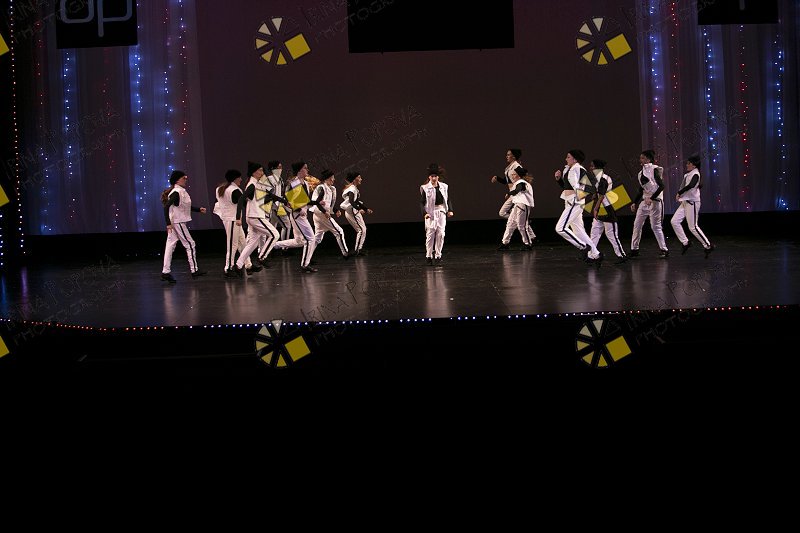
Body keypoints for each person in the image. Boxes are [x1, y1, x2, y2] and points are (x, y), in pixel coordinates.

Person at [232, 162, 283, 275]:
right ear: (254, 172)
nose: (262, 172)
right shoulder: (252, 184)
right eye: (260, 170)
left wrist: (283, 201)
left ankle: (238, 265)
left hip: (255, 216)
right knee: (275, 234)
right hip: (255, 216)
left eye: (262, 170)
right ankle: (262, 257)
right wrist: (238, 217)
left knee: (252, 243)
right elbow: (241, 199)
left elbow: (268, 197)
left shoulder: (257, 184)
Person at [554, 150, 602, 264]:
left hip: (574, 203)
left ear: (575, 159)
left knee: (560, 228)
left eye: (568, 157)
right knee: (579, 231)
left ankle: (583, 246)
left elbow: (592, 184)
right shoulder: (570, 169)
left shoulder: (578, 169)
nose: (566, 159)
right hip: (570, 201)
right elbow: (567, 188)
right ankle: (596, 254)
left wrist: (581, 195)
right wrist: (559, 179)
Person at [274, 161, 323, 273]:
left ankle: (274, 244)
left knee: (299, 241)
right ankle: (305, 264)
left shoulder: (305, 183)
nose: (307, 170)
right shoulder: (294, 183)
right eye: (305, 168)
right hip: (297, 216)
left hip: (302, 215)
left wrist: (318, 202)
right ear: (300, 170)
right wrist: (299, 210)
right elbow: (289, 200)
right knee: (311, 239)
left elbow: (306, 201)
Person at [160, 170, 207, 283]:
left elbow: (183, 206)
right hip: (178, 222)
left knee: (170, 246)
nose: (185, 180)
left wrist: (198, 209)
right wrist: (168, 223)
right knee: (190, 244)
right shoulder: (177, 192)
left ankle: (165, 272)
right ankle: (194, 270)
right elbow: (166, 207)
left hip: (176, 222)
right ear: (177, 180)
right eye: (183, 178)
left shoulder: (179, 191)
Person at [214, 169, 258, 278]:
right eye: (239, 177)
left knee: (242, 243)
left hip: (229, 219)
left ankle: (248, 265)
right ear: (235, 178)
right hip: (233, 220)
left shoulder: (220, 189)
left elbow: (219, 203)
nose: (241, 179)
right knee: (232, 245)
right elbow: (245, 203)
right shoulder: (235, 190)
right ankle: (228, 268)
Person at [491, 148, 536, 246]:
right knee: (508, 215)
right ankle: (529, 232)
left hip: (516, 194)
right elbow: (506, 181)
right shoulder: (509, 167)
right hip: (513, 193)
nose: (506, 156)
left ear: (514, 156)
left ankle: (526, 231)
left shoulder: (516, 166)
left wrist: (517, 190)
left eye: (508, 155)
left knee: (505, 214)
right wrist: (497, 178)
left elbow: (524, 177)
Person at [671, 154, 714, 256]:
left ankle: (708, 245)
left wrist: (679, 192)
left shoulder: (696, 174)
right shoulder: (689, 174)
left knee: (693, 227)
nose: (687, 165)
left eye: (689, 163)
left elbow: (691, 185)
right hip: (686, 202)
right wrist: (681, 194)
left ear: (694, 165)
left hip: (692, 203)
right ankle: (686, 242)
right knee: (674, 221)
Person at [630, 149, 669, 258]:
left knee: (655, 226)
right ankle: (634, 250)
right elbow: (641, 189)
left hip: (655, 201)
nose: (640, 160)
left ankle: (664, 249)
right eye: (640, 158)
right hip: (645, 201)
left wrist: (652, 198)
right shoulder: (640, 173)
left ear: (648, 159)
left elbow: (661, 186)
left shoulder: (654, 169)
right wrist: (635, 202)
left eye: (642, 158)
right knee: (637, 225)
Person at [588, 159, 627, 264]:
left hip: (606, 208)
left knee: (611, 234)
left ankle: (621, 255)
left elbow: (602, 195)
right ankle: (591, 255)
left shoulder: (603, 178)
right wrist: (594, 195)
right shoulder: (599, 178)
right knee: (594, 233)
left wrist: (595, 209)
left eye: (592, 166)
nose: (590, 168)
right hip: (601, 207)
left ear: (598, 168)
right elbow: (599, 192)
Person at [420, 163, 454, 265]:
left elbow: (447, 199)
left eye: (435, 176)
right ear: (429, 177)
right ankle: (429, 256)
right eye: (432, 176)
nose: (434, 178)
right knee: (430, 234)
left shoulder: (444, 186)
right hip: (430, 213)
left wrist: (450, 210)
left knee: (441, 234)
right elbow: (421, 202)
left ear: (438, 177)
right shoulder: (425, 188)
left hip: (441, 211)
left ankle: (438, 255)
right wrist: (424, 213)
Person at [312, 169, 349, 259]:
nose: (333, 179)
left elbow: (328, 204)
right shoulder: (322, 188)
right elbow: (317, 202)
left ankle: (307, 257)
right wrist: (324, 212)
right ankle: (346, 253)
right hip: (321, 214)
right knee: (339, 232)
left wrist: (335, 210)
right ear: (326, 179)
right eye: (332, 178)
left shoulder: (330, 189)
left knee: (317, 238)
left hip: (318, 215)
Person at [498, 166, 534, 250]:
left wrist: (509, 193)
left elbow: (519, 189)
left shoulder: (521, 182)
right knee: (510, 224)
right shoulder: (519, 182)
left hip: (522, 205)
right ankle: (505, 243)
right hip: (517, 205)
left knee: (521, 226)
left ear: (518, 176)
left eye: (514, 174)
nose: (512, 176)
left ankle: (528, 244)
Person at [340, 171, 373, 256]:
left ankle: (358, 249)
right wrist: (359, 209)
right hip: (352, 212)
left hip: (354, 211)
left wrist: (365, 209)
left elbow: (356, 201)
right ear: (354, 179)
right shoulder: (352, 189)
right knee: (361, 230)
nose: (361, 179)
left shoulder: (354, 188)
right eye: (359, 177)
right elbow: (351, 202)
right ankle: (357, 250)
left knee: (363, 230)